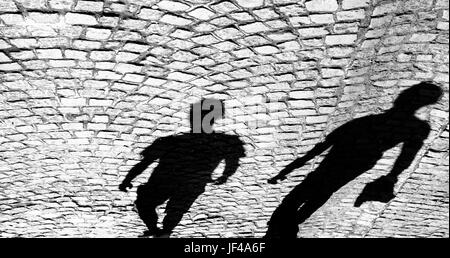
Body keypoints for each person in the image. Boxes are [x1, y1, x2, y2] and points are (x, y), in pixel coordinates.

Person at [266, 82, 443, 238]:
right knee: (324, 189)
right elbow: (406, 156)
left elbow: (323, 146)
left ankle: (284, 227)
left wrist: (289, 169)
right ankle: (291, 225)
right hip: (361, 161)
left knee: (307, 191)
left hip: (349, 159)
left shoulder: (370, 122)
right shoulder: (415, 128)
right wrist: (392, 176)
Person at [119, 99, 245, 237]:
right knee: (176, 209)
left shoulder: (170, 142)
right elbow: (233, 161)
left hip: (163, 181)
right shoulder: (224, 143)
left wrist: (128, 179)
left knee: (145, 204)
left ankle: (156, 231)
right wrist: (224, 176)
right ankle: (164, 233)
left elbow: (145, 162)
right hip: (193, 184)